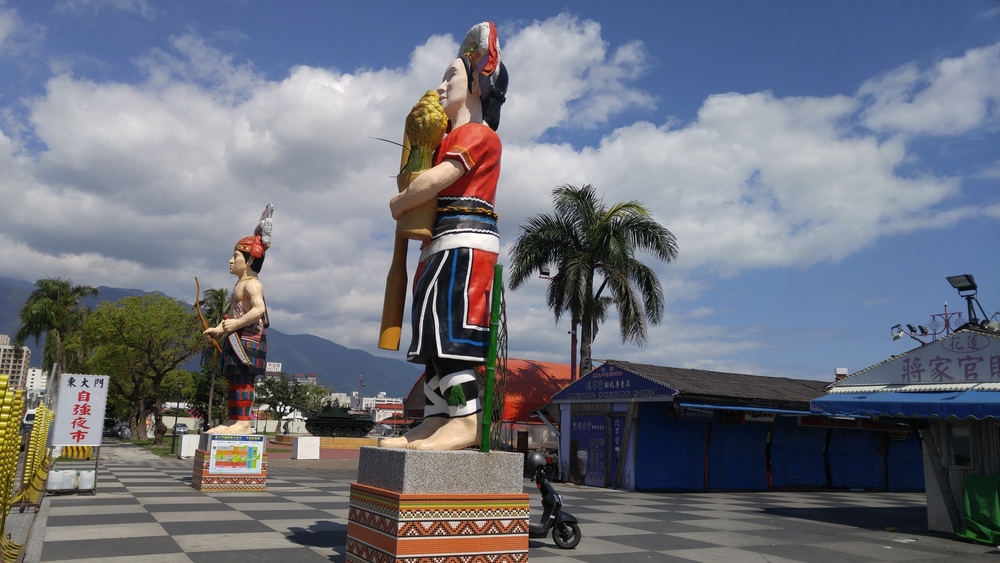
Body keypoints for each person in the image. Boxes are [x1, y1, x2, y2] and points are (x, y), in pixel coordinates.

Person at [382, 22, 508, 450]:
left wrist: (401, 202)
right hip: (439, 243)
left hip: (465, 242)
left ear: (476, 83)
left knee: (453, 336)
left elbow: (439, 179)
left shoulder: (478, 135)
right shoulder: (446, 139)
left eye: (449, 76)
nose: (439, 86)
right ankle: (438, 416)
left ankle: (467, 418)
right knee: (431, 340)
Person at [204, 204, 273, 435]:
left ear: (249, 260)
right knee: (233, 380)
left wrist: (234, 325)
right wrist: (218, 329)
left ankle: (243, 422)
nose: (231, 261)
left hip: (249, 339)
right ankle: (233, 418)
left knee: (244, 380)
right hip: (236, 337)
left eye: (235, 256)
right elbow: (235, 315)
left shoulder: (253, 283)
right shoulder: (240, 284)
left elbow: (258, 310)